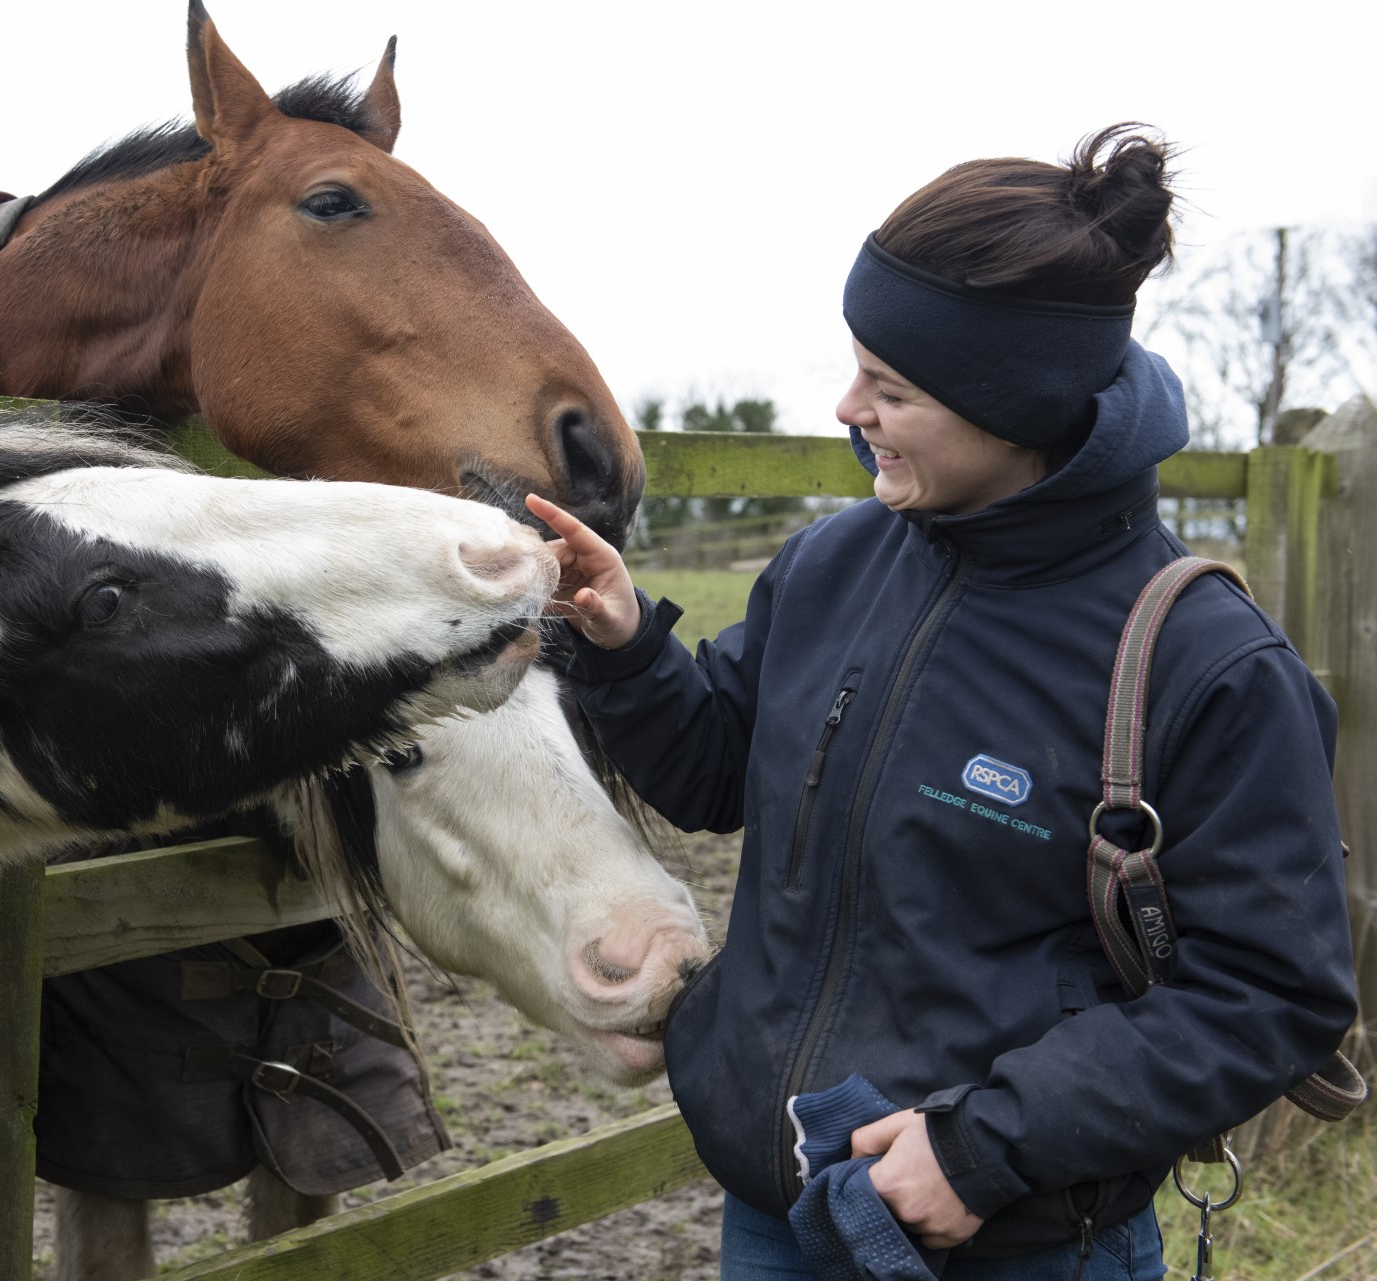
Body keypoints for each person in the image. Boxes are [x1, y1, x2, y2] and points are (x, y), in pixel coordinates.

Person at [527, 124, 1358, 1279]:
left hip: (1013, 1244)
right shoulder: (831, 567)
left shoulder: (1206, 665)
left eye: (893, 385)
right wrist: (622, 647)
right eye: (857, 362)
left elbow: (1270, 993)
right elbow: (716, 770)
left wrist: (981, 1150)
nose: (845, 405)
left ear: (1014, 409)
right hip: (777, 1214)